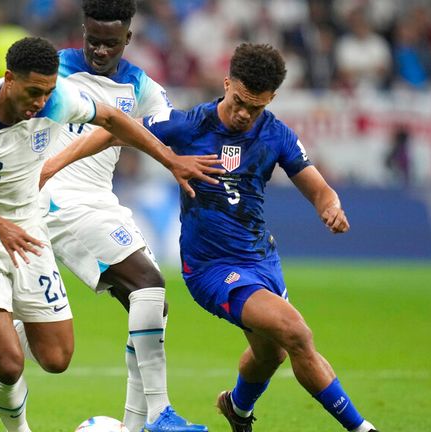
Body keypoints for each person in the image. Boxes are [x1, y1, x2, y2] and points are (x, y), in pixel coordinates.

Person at [0, 2, 212, 431]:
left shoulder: (69, 94)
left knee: (59, 358)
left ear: (128, 39)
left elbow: (116, 120)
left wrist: (172, 160)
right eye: (93, 40)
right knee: (11, 363)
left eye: (111, 42)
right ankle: (150, 417)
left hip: (33, 227)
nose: (42, 102)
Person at [50, 43, 380, 432]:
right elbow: (113, 133)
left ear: (271, 99)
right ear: (227, 83)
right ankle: (362, 428)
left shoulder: (277, 136)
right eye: (238, 100)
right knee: (296, 333)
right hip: (212, 269)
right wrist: (52, 166)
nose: (243, 113)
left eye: (254, 107)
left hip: (261, 260)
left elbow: (319, 188)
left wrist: (331, 207)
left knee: (270, 354)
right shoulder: (191, 125)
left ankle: (237, 408)